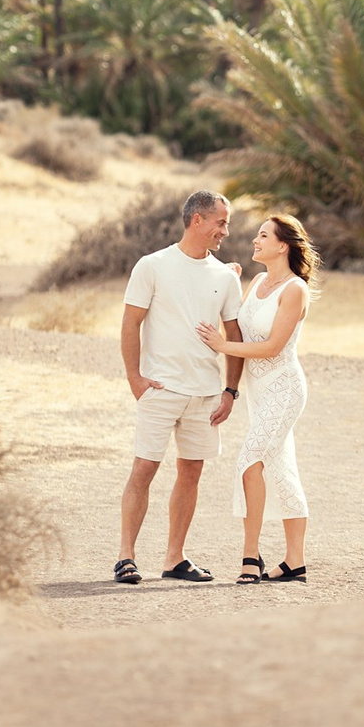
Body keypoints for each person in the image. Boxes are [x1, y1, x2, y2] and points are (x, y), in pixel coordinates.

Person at [114, 189, 245, 585]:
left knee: (191, 473)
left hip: (205, 394)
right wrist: (135, 379)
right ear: (197, 220)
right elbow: (130, 324)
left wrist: (230, 391)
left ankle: (175, 558)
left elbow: (234, 335)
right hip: (160, 389)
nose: (225, 231)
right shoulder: (152, 266)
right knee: (144, 469)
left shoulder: (225, 276)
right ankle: (126, 557)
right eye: (221, 222)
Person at [198, 211, 316, 584]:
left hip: (284, 389)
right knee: (281, 469)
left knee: (250, 459)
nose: (255, 240)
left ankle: (251, 557)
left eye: (263, 236)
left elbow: (271, 347)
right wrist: (229, 284)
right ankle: (294, 561)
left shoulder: (295, 289)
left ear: (282, 245)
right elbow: (244, 330)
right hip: (258, 393)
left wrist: (221, 344)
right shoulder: (260, 281)